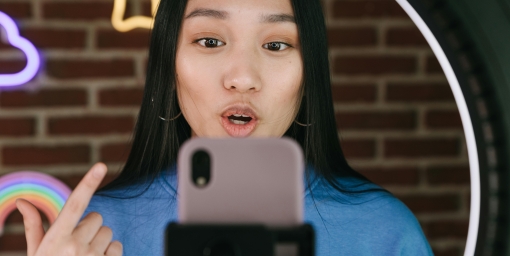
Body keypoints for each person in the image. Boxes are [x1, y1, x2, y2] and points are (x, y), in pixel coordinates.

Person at [15, 0, 434, 255]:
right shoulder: (95, 232)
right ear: (169, 66)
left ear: (310, 74)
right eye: (210, 41)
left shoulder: (384, 231)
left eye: (276, 44)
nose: (242, 77)